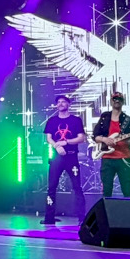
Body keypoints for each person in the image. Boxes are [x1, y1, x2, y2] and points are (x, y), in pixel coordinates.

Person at [42, 95, 86, 225]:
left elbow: (81, 138)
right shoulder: (52, 120)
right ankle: (49, 218)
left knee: (77, 187)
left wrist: (65, 142)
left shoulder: (76, 120)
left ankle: (82, 218)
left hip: (71, 157)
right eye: (58, 102)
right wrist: (56, 146)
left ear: (68, 104)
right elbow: (49, 138)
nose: (60, 104)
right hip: (57, 158)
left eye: (63, 102)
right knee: (51, 188)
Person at [92, 92, 130, 197]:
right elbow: (95, 136)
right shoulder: (104, 117)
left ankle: (128, 207)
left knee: (127, 190)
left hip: (123, 159)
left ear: (123, 102)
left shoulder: (129, 121)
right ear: (111, 101)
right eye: (114, 99)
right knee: (106, 190)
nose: (117, 101)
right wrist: (104, 139)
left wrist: (126, 141)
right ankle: (107, 208)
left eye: (119, 99)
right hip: (107, 158)